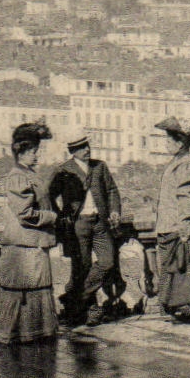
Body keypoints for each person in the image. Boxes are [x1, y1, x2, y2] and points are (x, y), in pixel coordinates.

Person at [50, 130, 123, 327]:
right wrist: (61, 216)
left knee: (108, 261)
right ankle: (88, 309)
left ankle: (76, 296)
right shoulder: (64, 170)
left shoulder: (100, 167)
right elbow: (50, 195)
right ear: (73, 151)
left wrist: (115, 210)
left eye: (87, 146)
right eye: (82, 148)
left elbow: (112, 190)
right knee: (80, 268)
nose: (87, 150)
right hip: (77, 225)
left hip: (100, 223)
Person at [0, 120, 60, 344]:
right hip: (23, 245)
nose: (36, 155)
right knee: (25, 292)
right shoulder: (18, 176)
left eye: (36, 150)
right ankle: (22, 335)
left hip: (31, 244)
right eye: (33, 151)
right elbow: (25, 213)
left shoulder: (28, 174)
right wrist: (51, 217)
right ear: (21, 152)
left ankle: (32, 334)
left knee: (32, 290)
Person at [153, 116, 190, 322]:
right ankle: (182, 306)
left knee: (185, 267)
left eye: (169, 140)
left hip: (180, 225)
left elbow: (187, 196)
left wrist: (185, 223)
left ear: (180, 143)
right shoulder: (177, 163)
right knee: (177, 267)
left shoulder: (186, 165)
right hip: (171, 224)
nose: (166, 144)